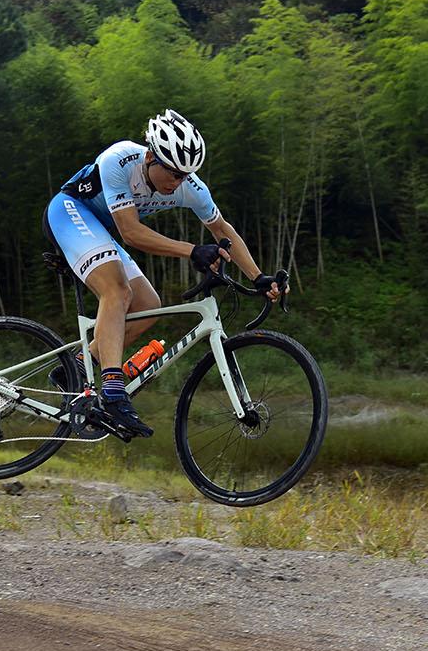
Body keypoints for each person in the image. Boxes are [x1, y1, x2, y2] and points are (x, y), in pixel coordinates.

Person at [43, 109, 285, 437]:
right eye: (173, 173)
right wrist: (191, 250)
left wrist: (259, 277)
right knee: (117, 291)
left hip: (101, 230)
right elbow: (130, 232)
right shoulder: (119, 160)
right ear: (151, 157)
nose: (178, 183)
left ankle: (72, 370)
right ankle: (113, 392)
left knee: (147, 305)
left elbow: (221, 229)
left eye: (185, 175)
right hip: (71, 211)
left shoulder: (190, 187)